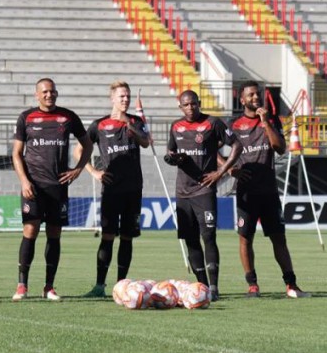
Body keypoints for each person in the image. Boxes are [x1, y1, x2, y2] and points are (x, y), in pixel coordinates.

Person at [221, 80, 310, 299]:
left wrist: (266, 122)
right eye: (250, 95)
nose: (255, 98)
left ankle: (291, 284)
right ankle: (252, 285)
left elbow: (280, 148)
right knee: (245, 239)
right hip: (245, 192)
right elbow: (212, 147)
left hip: (269, 191)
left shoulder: (270, 119)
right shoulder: (233, 124)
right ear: (242, 99)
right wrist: (228, 169)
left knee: (279, 239)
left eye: (257, 94)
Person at [12, 78, 93, 301]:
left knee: (54, 235)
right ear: (37, 94)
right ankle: (22, 285)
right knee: (30, 231)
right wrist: (24, 181)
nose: (50, 95)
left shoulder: (67, 117)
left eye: (53, 91)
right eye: (45, 92)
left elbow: (88, 144)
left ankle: (49, 287)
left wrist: (77, 169)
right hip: (33, 186)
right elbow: (16, 153)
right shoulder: (26, 117)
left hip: (58, 187)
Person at [75, 81, 150, 298]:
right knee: (108, 236)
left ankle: (121, 285)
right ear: (112, 99)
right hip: (111, 190)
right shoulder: (99, 125)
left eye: (127, 96)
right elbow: (79, 150)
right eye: (122, 96)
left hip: (133, 188)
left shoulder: (136, 121)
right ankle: (99, 285)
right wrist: (93, 172)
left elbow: (145, 142)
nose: (125, 100)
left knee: (127, 237)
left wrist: (132, 129)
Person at [165, 89, 242, 301]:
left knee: (208, 236)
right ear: (180, 107)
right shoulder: (175, 126)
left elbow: (237, 145)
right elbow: (170, 152)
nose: (190, 108)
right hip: (183, 191)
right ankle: (202, 286)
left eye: (194, 104)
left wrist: (221, 171)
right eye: (186, 105)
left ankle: (215, 287)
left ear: (199, 103)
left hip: (204, 189)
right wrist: (173, 158)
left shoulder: (213, 123)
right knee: (191, 240)